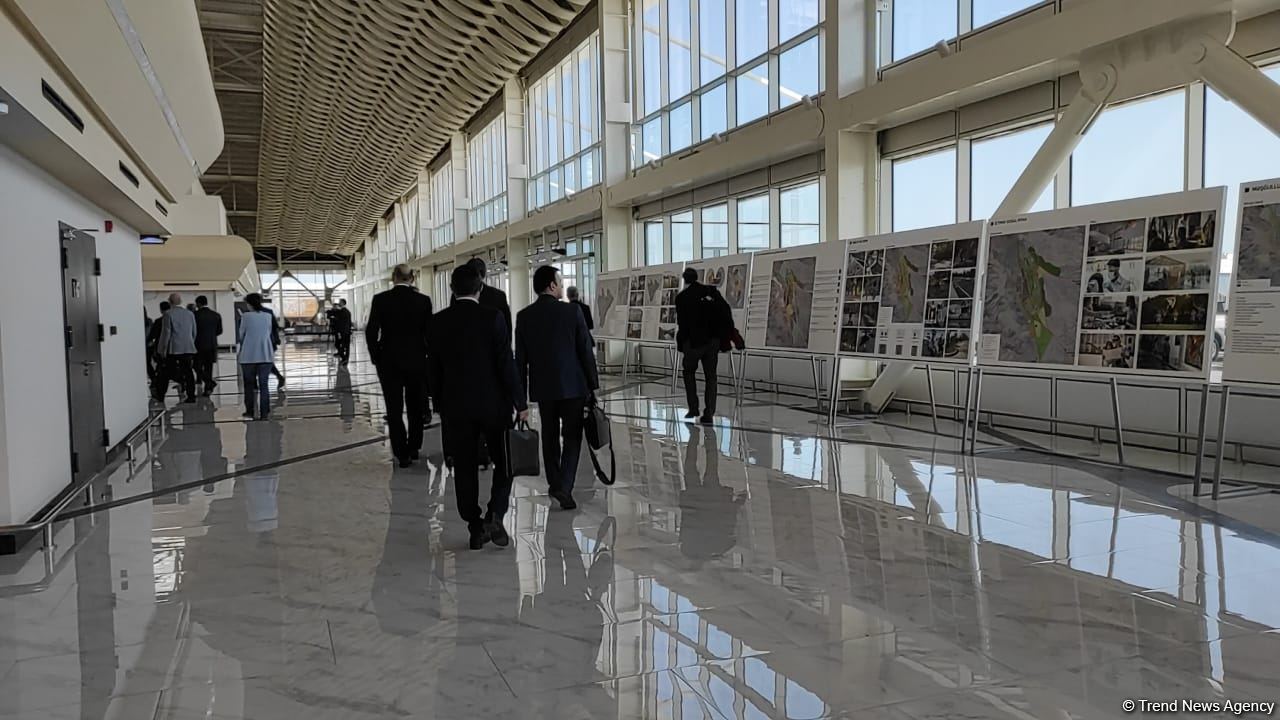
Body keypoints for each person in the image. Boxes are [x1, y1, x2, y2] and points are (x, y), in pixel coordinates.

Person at [429, 263, 528, 549]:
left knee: (465, 466)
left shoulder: (438, 323)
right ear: (480, 287)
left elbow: (432, 369)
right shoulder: (493, 318)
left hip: (456, 407)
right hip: (493, 406)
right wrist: (519, 402)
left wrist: (439, 402)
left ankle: (474, 525)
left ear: (451, 289)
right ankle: (495, 513)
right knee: (505, 461)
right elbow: (505, 365)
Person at [515, 265, 599, 510]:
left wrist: (520, 399)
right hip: (573, 386)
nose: (562, 286)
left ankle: (554, 484)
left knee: (549, 436)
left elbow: (519, 360)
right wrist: (593, 386)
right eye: (560, 282)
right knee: (572, 437)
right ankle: (565, 486)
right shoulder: (572, 312)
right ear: (552, 285)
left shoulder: (524, 316)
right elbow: (585, 351)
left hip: (543, 389)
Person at [366, 264, 433, 467]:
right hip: (417, 361)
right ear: (412, 278)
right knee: (415, 406)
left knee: (393, 408)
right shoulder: (423, 301)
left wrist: (376, 355)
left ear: (394, 277)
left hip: (389, 361)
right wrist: (427, 356)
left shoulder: (381, 300)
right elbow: (429, 332)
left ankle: (401, 453)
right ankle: (414, 447)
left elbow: (371, 331)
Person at [675, 267, 732, 424]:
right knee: (711, 377)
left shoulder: (681, 298)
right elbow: (725, 311)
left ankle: (693, 407)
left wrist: (682, 343)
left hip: (693, 343)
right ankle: (709, 412)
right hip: (712, 342)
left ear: (685, 279)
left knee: (688, 373)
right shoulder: (711, 291)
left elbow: (682, 323)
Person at [237, 293, 276, 420]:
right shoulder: (268, 316)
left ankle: (250, 411)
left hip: (248, 355)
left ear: (249, 304)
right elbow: (268, 332)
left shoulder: (246, 316)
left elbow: (241, 335)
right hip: (265, 354)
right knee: (264, 384)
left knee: (249, 385)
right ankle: (264, 412)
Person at [155, 293, 198, 403]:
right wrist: (190, 342)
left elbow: (166, 333)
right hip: (188, 347)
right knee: (188, 372)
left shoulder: (168, 314)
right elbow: (194, 331)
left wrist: (162, 349)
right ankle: (191, 395)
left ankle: (161, 395)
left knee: (166, 372)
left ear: (170, 302)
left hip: (173, 348)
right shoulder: (190, 314)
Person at [193, 295, 224, 396]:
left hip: (198, 344)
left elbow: (192, 330)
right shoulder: (216, 315)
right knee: (208, 367)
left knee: (196, 366)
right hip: (211, 344)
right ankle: (208, 388)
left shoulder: (194, 315)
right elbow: (220, 331)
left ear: (198, 304)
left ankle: (209, 382)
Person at [146, 301, 169, 391]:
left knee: (160, 366)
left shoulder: (159, 321)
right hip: (173, 347)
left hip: (160, 347)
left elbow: (153, 335)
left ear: (161, 309)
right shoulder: (151, 321)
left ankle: (158, 385)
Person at [327, 299, 353, 365]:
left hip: (343, 331)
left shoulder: (343, 311)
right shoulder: (346, 311)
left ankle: (344, 359)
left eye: (340, 302)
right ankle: (344, 358)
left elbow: (339, 320)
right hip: (346, 331)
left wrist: (333, 318)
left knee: (343, 345)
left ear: (343, 303)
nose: (339, 303)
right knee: (345, 346)